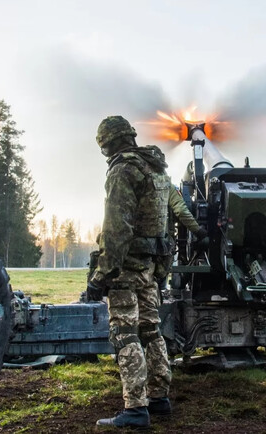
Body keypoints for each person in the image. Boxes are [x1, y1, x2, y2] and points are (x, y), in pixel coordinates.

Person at [87, 115, 173, 428]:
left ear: (107, 143)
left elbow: (116, 227)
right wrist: (161, 269)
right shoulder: (157, 169)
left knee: (125, 333)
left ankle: (135, 408)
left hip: (125, 268)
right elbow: (166, 227)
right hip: (150, 265)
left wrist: (102, 274)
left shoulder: (122, 170)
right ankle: (159, 397)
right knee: (151, 329)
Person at [155, 186, 208, 292]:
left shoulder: (129, 182)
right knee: (156, 282)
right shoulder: (165, 185)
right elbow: (181, 211)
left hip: (134, 246)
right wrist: (199, 231)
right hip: (159, 245)